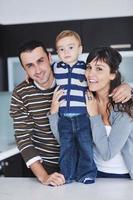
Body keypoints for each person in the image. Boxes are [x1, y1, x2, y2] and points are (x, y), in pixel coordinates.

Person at [10, 40, 65, 186]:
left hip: (78, 163)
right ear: (25, 69)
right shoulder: (20, 93)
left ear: (49, 58)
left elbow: (102, 83)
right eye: (30, 66)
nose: (38, 70)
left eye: (40, 61)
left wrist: (125, 88)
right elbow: (23, 138)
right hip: (45, 168)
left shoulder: (70, 80)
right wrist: (44, 177)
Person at [52, 30, 97, 184]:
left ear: (80, 49)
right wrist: (29, 76)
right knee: (66, 148)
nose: (66, 52)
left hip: (83, 116)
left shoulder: (87, 68)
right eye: (61, 49)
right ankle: (68, 175)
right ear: (57, 52)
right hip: (63, 117)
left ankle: (87, 173)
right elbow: (41, 73)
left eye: (71, 47)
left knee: (85, 145)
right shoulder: (55, 67)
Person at [85, 46, 133, 179]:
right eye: (89, 67)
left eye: (99, 69)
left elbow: (107, 153)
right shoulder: (86, 98)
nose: (90, 74)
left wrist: (94, 116)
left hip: (122, 177)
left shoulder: (124, 105)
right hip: (93, 173)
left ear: (112, 74)